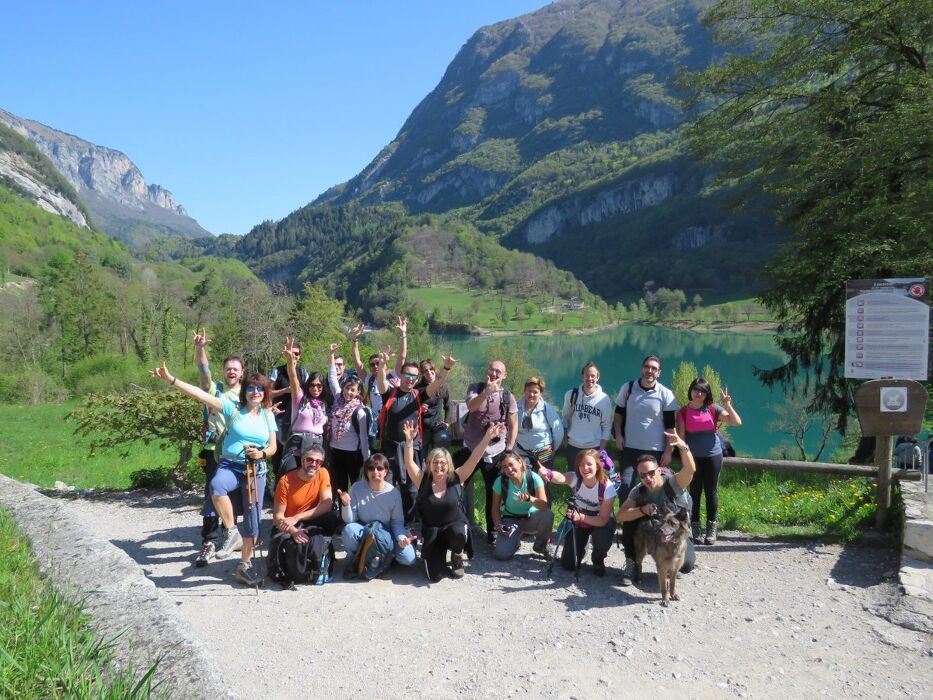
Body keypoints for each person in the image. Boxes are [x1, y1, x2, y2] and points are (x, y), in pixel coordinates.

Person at [152, 363, 276, 586]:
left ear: (265, 392)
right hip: (230, 465)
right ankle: (231, 531)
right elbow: (201, 394)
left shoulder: (268, 415)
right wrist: (172, 380)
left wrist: (262, 453)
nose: (255, 392)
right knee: (216, 486)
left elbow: (274, 447)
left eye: (259, 389)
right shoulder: (232, 408)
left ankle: (244, 566)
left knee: (253, 522)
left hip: (256, 470)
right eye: (250, 388)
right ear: (244, 391)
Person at [403, 420, 505, 582]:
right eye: (435, 462)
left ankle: (457, 554)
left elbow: (474, 458)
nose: (439, 466)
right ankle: (437, 553)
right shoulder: (422, 480)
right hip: (433, 531)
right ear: (429, 464)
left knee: (459, 533)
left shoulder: (458, 477)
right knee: (435, 577)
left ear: (448, 465)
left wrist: (487, 438)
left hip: (454, 526)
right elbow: (409, 463)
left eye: (442, 462)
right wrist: (409, 442)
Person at [374, 348, 456, 523]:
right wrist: (382, 365)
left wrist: (446, 368)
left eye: (414, 377)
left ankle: (408, 525)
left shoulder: (419, 395)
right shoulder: (390, 393)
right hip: (390, 448)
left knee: (411, 489)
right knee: (386, 486)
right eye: (407, 375)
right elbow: (381, 383)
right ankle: (386, 523)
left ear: (417, 379)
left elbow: (437, 384)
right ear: (401, 375)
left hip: (412, 449)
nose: (410, 379)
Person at [616, 430, 696, 586]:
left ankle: (670, 565)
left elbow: (690, 470)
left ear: (659, 470)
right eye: (643, 475)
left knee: (687, 565)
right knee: (630, 518)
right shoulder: (638, 490)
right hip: (654, 533)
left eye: (651, 473)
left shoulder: (673, 483)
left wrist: (682, 446)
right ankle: (632, 562)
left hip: (677, 533)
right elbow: (620, 515)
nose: (648, 478)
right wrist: (642, 510)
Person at [191, 329, 243, 568]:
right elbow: (204, 373)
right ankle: (209, 541)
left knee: (231, 496)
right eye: (228, 368)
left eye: (235, 368)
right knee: (212, 495)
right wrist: (200, 348)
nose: (231, 371)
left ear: (241, 372)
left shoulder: (247, 394)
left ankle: (230, 535)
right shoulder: (216, 390)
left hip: (237, 452)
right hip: (214, 450)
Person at [676, 378, 742, 545]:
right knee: (695, 492)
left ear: (707, 394)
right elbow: (681, 438)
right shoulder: (683, 412)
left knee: (711, 492)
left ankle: (711, 527)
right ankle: (695, 527)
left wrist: (727, 405)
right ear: (691, 391)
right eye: (696, 390)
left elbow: (736, 422)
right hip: (693, 457)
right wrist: (684, 457)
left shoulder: (713, 409)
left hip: (713, 455)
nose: (699, 393)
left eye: (703, 391)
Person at [461, 360, 519, 544]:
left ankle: (492, 532)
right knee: (458, 488)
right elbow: (471, 407)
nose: (494, 374)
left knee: (493, 494)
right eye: (491, 370)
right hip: (471, 449)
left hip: (495, 453)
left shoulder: (508, 396)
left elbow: (513, 422)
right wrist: (487, 391)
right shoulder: (475, 388)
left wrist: (509, 448)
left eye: (498, 371)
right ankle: (459, 527)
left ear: (505, 375)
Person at [337, 453, 416, 578]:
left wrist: (401, 538)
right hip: (366, 529)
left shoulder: (393, 493)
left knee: (409, 558)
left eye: (380, 468)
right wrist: (346, 505)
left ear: (386, 472)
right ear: (366, 472)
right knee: (349, 530)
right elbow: (350, 520)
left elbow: (397, 522)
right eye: (371, 468)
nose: (375, 472)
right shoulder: (357, 488)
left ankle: (385, 557)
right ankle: (358, 559)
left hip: (387, 532)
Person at [539, 448, 617, 576]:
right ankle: (581, 548)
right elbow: (562, 478)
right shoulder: (576, 478)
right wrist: (549, 473)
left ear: (598, 466)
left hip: (599, 520)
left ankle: (598, 559)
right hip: (580, 519)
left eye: (589, 464)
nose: (585, 468)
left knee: (601, 537)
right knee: (569, 564)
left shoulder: (607, 487)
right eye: (581, 465)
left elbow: (603, 519)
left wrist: (581, 517)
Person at [612, 354, 678, 500]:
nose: (650, 370)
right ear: (642, 369)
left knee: (653, 489)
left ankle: (652, 520)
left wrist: (668, 451)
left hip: (655, 451)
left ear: (659, 373)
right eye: (647, 367)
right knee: (625, 486)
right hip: (630, 448)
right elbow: (618, 415)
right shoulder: (628, 388)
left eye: (654, 368)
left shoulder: (665, 394)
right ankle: (627, 521)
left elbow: (670, 427)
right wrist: (618, 435)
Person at [325, 342, 371, 497]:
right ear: (343, 387)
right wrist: (331, 355)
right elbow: (332, 379)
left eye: (353, 390)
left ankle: (357, 514)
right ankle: (342, 514)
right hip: (336, 450)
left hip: (353, 453)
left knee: (356, 486)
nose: (348, 393)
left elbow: (364, 438)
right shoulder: (338, 398)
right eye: (347, 388)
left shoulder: (360, 411)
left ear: (358, 392)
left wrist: (367, 460)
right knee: (339, 485)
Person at [490, 450, 553, 561]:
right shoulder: (500, 481)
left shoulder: (534, 478)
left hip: (531, 518)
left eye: (511, 464)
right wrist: (498, 525)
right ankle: (515, 541)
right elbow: (495, 507)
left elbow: (543, 506)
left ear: (519, 462)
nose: (509, 469)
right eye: (504, 467)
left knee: (548, 515)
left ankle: (540, 545)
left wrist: (529, 498)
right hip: (511, 519)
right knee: (501, 555)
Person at [279, 337, 329, 476]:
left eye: (319, 385)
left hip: (316, 451)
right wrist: (290, 361)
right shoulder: (300, 398)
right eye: (312, 385)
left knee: (312, 483)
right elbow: (293, 378)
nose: (316, 388)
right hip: (296, 448)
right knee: (288, 478)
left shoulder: (324, 404)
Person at [272, 444, 341, 543]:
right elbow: (277, 517)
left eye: (318, 462)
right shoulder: (285, 481)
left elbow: (327, 504)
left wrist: (298, 517)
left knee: (334, 517)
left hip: (308, 517)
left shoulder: (323, 473)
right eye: (310, 460)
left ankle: (324, 544)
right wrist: (293, 531)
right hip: (289, 522)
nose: (314, 464)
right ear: (302, 460)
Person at [515, 376, 563, 502]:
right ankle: (526, 514)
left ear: (540, 393)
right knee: (524, 483)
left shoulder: (547, 409)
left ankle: (545, 515)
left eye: (535, 392)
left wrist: (551, 450)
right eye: (529, 390)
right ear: (524, 390)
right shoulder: (516, 407)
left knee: (543, 484)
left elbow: (558, 431)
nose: (531, 394)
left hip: (544, 454)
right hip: (521, 453)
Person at [267, 341, 310, 477]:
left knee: (295, 452)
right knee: (278, 451)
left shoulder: (303, 372)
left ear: (300, 356)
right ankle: (277, 482)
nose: (294, 356)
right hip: (279, 416)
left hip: (297, 418)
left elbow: (309, 394)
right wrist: (286, 390)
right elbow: (268, 392)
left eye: (296, 353)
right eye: (291, 353)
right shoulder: (277, 371)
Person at [561, 362, 612, 471]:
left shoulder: (604, 399)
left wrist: (601, 450)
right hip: (573, 445)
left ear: (597, 377)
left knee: (592, 480)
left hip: (594, 447)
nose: (590, 378)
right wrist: (565, 437)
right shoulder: (571, 395)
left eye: (593, 376)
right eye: (587, 375)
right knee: (574, 478)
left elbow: (606, 426)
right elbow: (565, 417)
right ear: (582, 376)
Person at [417, 358, 451, 451]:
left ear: (434, 370)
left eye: (431, 369)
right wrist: (420, 408)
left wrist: (447, 422)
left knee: (438, 454)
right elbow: (412, 408)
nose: (429, 372)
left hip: (437, 426)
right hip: (423, 428)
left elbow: (448, 406)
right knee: (421, 456)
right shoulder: (418, 388)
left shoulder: (443, 387)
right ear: (422, 374)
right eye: (425, 371)